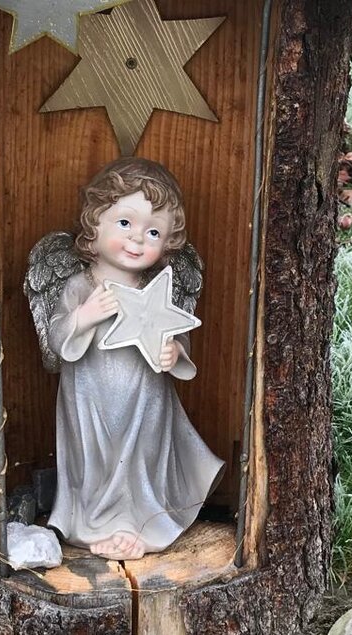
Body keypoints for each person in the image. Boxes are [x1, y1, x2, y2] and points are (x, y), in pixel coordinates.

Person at [43, 158, 224, 560]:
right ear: (96, 224)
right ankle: (95, 524)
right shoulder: (81, 285)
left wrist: (173, 352)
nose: (137, 240)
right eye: (125, 223)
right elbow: (57, 338)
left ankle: (138, 521)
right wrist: (86, 314)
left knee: (141, 456)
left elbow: (178, 339)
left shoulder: (156, 289)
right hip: (89, 395)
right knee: (95, 457)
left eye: (153, 231)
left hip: (145, 394)